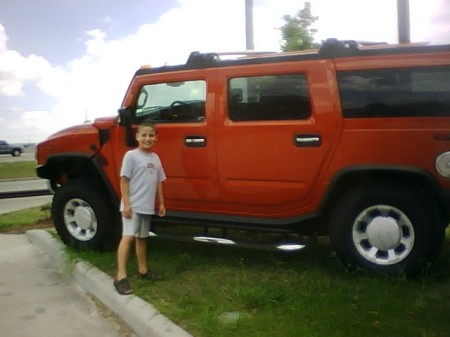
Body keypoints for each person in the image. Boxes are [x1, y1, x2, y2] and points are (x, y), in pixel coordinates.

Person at [114, 122, 166, 295]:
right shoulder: (131, 156)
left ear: (156, 138)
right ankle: (120, 277)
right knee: (128, 237)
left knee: (142, 238)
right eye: (143, 135)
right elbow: (124, 180)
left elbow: (158, 182)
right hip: (132, 206)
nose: (147, 139)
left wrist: (161, 203)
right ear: (137, 137)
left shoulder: (156, 158)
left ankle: (143, 271)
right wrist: (127, 204)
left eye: (151, 135)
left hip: (146, 206)